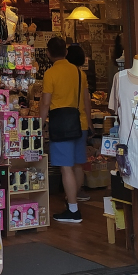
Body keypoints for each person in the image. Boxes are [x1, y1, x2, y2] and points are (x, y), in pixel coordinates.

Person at [40, 37, 92, 224]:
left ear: (48, 53)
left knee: (65, 167)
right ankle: (72, 199)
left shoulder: (50, 74)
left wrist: (39, 123)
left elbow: (46, 103)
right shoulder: (79, 73)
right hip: (80, 123)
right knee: (77, 165)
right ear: (66, 52)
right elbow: (86, 100)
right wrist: (90, 123)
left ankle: (73, 209)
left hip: (62, 126)